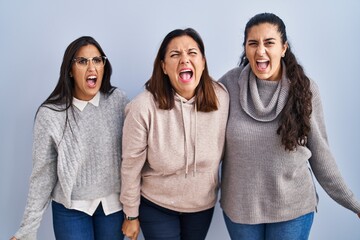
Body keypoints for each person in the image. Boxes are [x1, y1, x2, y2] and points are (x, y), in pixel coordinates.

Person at [219, 12, 360, 240]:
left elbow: (321, 155)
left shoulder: (304, 89)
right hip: (240, 210)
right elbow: (203, 133)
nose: (260, 51)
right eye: (252, 43)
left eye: (269, 43)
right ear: (245, 48)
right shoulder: (228, 85)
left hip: (292, 211)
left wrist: (354, 203)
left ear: (284, 48)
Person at [10, 36, 128, 240]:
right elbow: (43, 174)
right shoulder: (51, 114)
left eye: (97, 60)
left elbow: (134, 157)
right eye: (83, 61)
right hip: (71, 209)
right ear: (70, 70)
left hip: (113, 207)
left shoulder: (118, 101)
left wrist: (134, 211)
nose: (92, 68)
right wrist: (27, 229)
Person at [120, 28, 229, 240]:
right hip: (156, 204)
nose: (184, 60)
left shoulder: (221, 99)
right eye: (175, 55)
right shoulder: (142, 107)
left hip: (201, 206)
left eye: (192, 53)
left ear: (203, 62)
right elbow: (130, 166)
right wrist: (131, 214)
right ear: (163, 67)